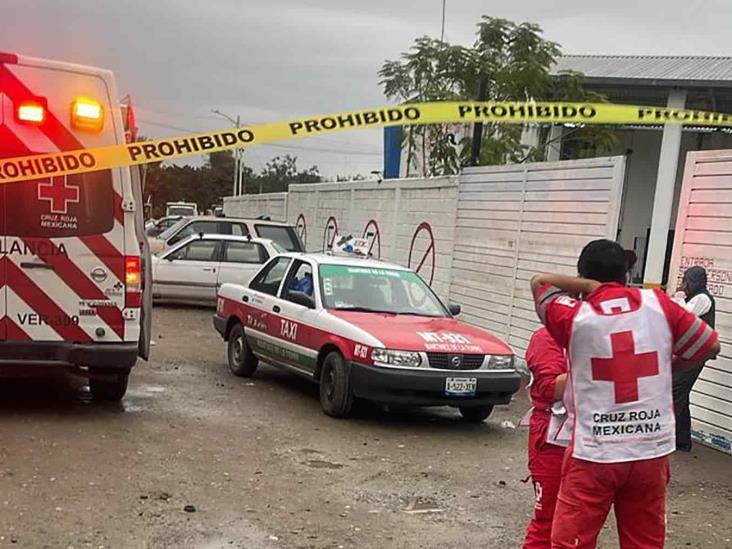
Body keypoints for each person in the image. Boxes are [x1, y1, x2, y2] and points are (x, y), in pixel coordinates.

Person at [530, 239, 720, 549]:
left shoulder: (576, 317)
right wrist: (670, 364)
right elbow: (710, 346)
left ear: (582, 276)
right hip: (650, 450)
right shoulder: (658, 303)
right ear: (628, 274)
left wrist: (588, 286)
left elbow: (540, 282)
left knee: (571, 542)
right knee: (644, 542)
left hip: (595, 453)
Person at [522, 328, 569, 549]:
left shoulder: (602, 334)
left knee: (580, 522)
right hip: (552, 438)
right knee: (548, 518)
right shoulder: (548, 336)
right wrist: (606, 368)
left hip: (593, 437)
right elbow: (551, 388)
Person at [672, 266, 716, 451]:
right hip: (689, 353)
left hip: (695, 355)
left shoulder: (702, 298)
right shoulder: (696, 297)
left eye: (686, 280)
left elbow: (683, 316)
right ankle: (682, 440)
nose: (684, 284)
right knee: (682, 394)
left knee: (674, 393)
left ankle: (668, 437)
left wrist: (678, 298)